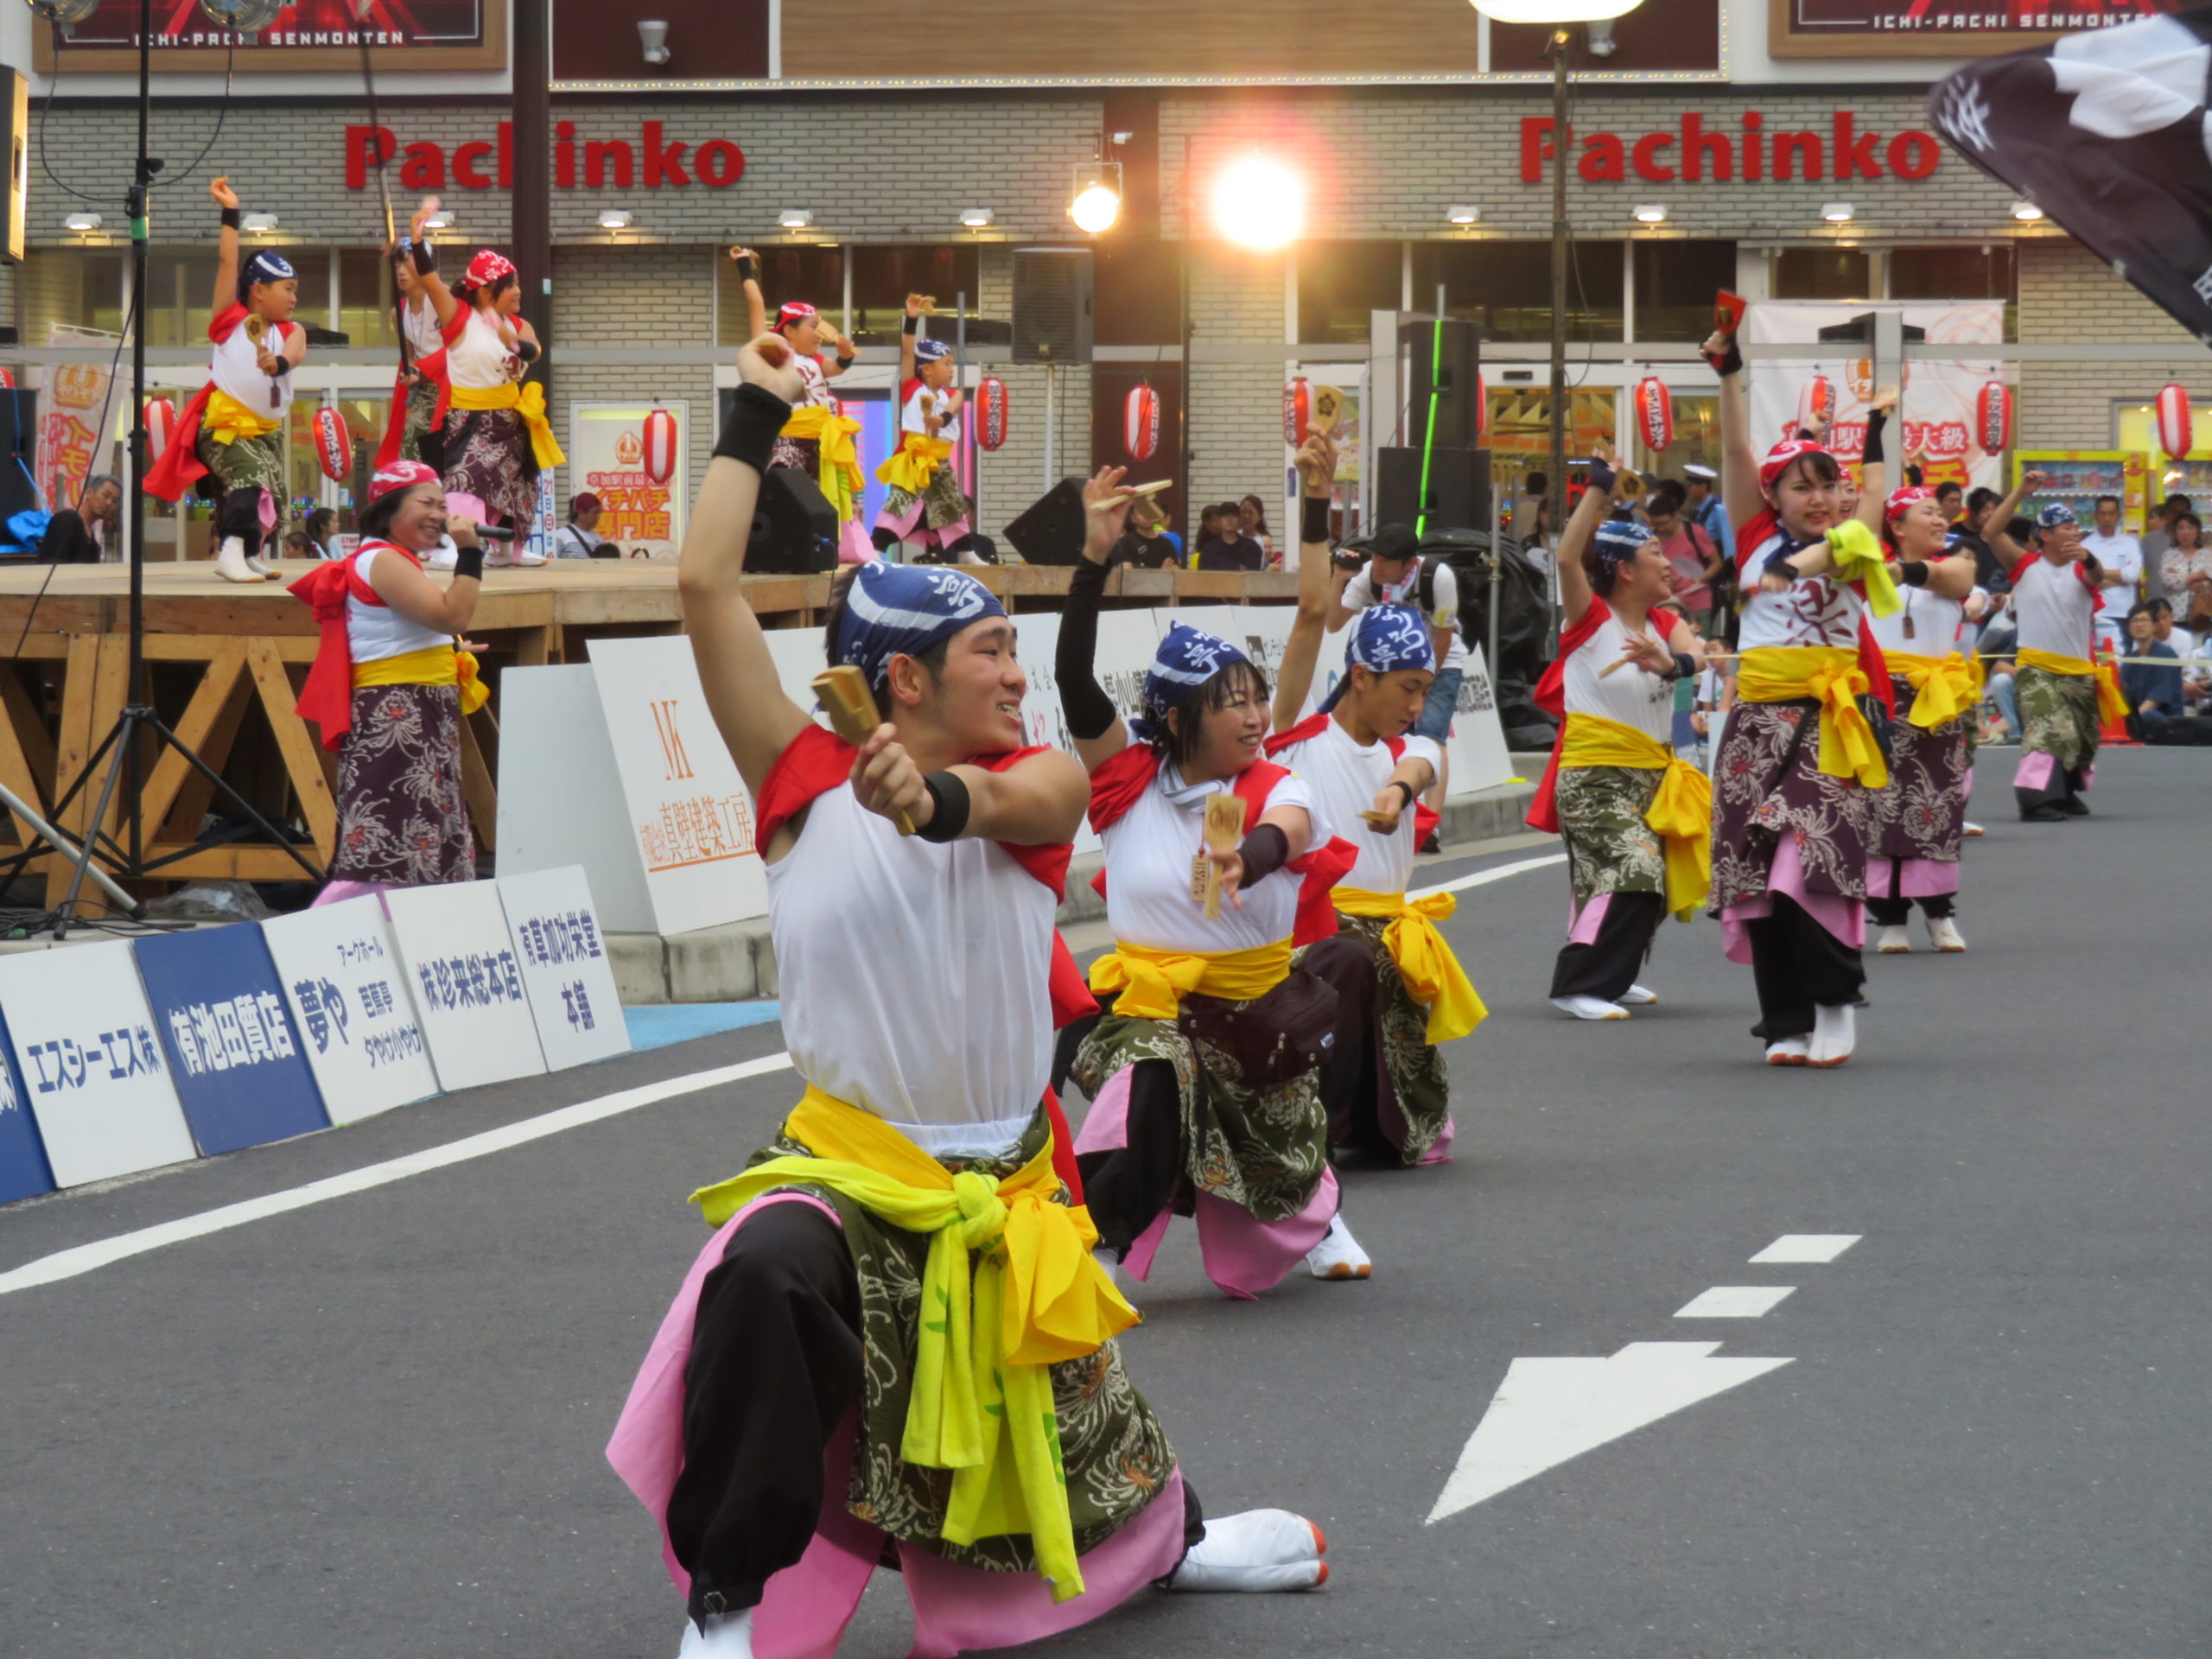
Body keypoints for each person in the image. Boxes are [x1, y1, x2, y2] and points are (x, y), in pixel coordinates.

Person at [607, 351, 1330, 1659]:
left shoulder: (1033, 779)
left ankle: (1175, 1540)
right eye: (991, 651)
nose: (1015, 674)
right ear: (903, 679)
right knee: (764, 1275)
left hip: (1001, 1180)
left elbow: (1019, 806)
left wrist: (932, 802)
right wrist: (755, 413)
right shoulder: (798, 775)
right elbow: (703, 583)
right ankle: (728, 1605)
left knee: (1083, 1440)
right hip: (853, 1168)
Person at [1056, 465, 1370, 1293]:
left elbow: (1291, 828)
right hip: (1149, 1005)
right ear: (1176, 716)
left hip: (1252, 1012)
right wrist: (1092, 560)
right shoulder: (1125, 784)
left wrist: (1252, 857)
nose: (1255, 716)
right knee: (1149, 1083)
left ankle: (1319, 1212)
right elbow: (1072, 683)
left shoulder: (1272, 781)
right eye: (1231, 702)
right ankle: (1107, 1244)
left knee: (1276, 1159)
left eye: (1257, 698)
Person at [1268, 433, 1484, 1166]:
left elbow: (1420, 768)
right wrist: (1317, 501)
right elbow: (1308, 613)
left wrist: (1396, 790)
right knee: (1347, 973)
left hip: (1389, 942)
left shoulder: (1414, 748)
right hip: (1316, 945)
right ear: (1361, 678)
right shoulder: (1295, 739)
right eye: (1409, 690)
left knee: (1416, 1137)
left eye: (1427, 690)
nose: (1421, 705)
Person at [1702, 316, 1897, 1068]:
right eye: (1800, 486)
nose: (1819, 497)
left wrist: (1877, 424)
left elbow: (1871, 489)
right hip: (1754, 723)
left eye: (1828, 485)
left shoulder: (1855, 540)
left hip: (1830, 720)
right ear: (1772, 495)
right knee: (1756, 875)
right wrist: (1729, 371)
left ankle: (1836, 1003)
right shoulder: (1751, 541)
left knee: (1806, 859)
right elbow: (1732, 449)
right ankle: (1785, 1020)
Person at [1525, 448, 1710, 1020]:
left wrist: (1674, 672)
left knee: (1650, 878)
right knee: (1635, 870)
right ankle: (1576, 985)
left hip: (1654, 774)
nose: (1669, 560)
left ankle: (1613, 974)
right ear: (1625, 569)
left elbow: (1697, 660)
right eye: (1655, 552)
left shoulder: (1663, 623)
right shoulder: (1592, 620)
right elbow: (1565, 557)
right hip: (1594, 777)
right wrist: (1599, 488)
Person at [287, 460, 487, 902]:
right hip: (397, 718)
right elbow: (454, 614)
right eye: (426, 503)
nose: (439, 514)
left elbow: (403, 633)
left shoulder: (394, 560)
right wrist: (470, 553)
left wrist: (447, 651)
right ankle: (339, 938)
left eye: (443, 504)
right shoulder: (382, 559)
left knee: (424, 835)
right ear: (389, 509)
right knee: (391, 846)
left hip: (418, 711)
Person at [1857, 463, 2029, 956]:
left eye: (1939, 512)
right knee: (1881, 808)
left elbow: (1958, 583)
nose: (1938, 520)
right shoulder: (1866, 577)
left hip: (1937, 704)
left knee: (1936, 809)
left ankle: (1939, 913)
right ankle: (1889, 920)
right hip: (1882, 701)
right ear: (1896, 525)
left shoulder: (1959, 569)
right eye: (1926, 512)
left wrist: (1901, 571)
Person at [143, 176, 307, 584]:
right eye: (287, 289)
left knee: (269, 495)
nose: (293, 298)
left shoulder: (288, 331)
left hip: (265, 430)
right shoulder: (231, 320)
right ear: (258, 290)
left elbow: (297, 350)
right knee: (250, 479)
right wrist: (230, 213)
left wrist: (279, 364)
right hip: (225, 427)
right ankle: (230, 552)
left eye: (295, 290)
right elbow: (227, 264)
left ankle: (249, 554)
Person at [404, 203, 561, 565]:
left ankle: (508, 550)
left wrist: (507, 335)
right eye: (512, 286)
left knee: (516, 486)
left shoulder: (518, 325)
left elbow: (534, 353)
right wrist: (417, 241)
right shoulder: (459, 316)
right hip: (471, 418)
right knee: (466, 480)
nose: (519, 291)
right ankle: (450, 545)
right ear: (489, 290)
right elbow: (429, 280)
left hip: (511, 418)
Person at [1990, 498, 2130, 821]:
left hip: (2077, 668)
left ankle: (2064, 793)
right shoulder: (2024, 566)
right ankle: (2034, 798)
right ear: (2046, 535)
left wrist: (2090, 557)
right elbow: (1991, 532)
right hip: (2038, 668)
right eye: (2066, 527)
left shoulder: (2082, 569)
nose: (2074, 533)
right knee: (2047, 728)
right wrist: (2021, 491)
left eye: (2075, 528)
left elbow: (2096, 577)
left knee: (2080, 736)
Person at [1330, 522, 1464, 840]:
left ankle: (1431, 825)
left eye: (1387, 561)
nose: (1378, 567)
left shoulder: (1437, 577)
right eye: (1375, 558)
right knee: (1380, 733)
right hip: (1391, 670)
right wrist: (1338, 578)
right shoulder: (1367, 577)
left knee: (1431, 734)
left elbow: (1443, 637)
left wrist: (1423, 686)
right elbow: (1334, 623)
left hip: (1441, 662)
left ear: (1409, 564)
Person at [731, 245, 865, 550]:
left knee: (821, 499)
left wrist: (845, 358)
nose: (819, 335)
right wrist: (743, 266)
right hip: (789, 438)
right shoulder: (775, 350)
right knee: (784, 492)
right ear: (789, 330)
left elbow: (836, 369)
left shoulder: (817, 362)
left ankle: (818, 548)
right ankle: (773, 546)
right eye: (813, 327)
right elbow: (755, 303)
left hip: (821, 442)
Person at [873, 296, 977, 563]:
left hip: (939, 462)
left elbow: (957, 399)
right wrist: (912, 319)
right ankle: (875, 552)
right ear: (927, 369)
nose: (951, 369)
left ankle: (966, 553)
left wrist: (943, 418)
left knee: (951, 507)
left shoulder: (948, 395)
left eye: (952, 364)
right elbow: (908, 352)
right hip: (914, 460)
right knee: (899, 505)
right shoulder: (912, 389)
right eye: (947, 364)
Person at [376, 206, 451, 476]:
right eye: (397, 265)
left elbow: (454, 350)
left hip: (450, 389)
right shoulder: (399, 312)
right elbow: (409, 357)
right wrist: (411, 370)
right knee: (411, 453)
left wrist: (423, 369)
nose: (400, 271)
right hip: (422, 390)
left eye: (406, 263)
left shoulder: (442, 301)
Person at [1645, 479, 1724, 630]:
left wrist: (1700, 579)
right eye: (1655, 524)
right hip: (1666, 604)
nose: (1660, 529)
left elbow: (1716, 563)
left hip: (1697, 601)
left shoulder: (1694, 532)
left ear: (1676, 515)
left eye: (1663, 523)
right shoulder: (1653, 539)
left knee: (1699, 644)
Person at [2080, 494, 2143, 652]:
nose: (2107, 518)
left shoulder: (2130, 543)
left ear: (2118, 516)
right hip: (2098, 614)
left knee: (2125, 661)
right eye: (2103, 513)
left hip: (2126, 612)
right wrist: (2121, 577)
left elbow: (2133, 575)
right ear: (2096, 515)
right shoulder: (2085, 546)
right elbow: (2087, 581)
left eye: (2111, 513)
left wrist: (2099, 574)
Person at [36, 474, 120, 564]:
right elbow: (51, 564)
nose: (108, 503)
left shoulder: (92, 540)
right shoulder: (67, 520)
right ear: (89, 493)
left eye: (115, 501)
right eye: (105, 495)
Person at [2159, 511, 2212, 629]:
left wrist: (2203, 584)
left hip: (2202, 614)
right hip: (2175, 614)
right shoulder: (2169, 555)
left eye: (2191, 527)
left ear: (2198, 530)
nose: (2186, 532)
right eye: (2181, 528)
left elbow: (2210, 579)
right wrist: (2200, 575)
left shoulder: (2208, 554)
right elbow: (2170, 581)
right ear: (2175, 531)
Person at [1109, 493, 1182, 568]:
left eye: (1149, 511)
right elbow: (1128, 575)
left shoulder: (1167, 544)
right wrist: (1162, 573)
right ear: (1133, 518)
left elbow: (1175, 572)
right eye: (1141, 512)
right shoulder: (1125, 543)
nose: (1146, 515)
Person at [1196, 505, 1265, 571]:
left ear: (1239, 520)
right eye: (1225, 515)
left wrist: (1220, 567)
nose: (1229, 519)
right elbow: (1207, 576)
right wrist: (1237, 567)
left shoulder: (1251, 547)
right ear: (1219, 520)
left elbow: (1252, 575)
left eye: (1233, 515)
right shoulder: (1209, 550)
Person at [1682, 462, 1732, 552]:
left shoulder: (1718, 510)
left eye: (1690, 485)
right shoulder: (1697, 512)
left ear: (1702, 487)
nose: (1687, 489)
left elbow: (1728, 546)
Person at [551, 493, 613, 560]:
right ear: (581, 513)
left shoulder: (599, 539)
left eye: (599, 512)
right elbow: (552, 564)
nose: (598, 516)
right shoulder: (560, 536)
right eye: (595, 512)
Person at [1238, 495, 1275, 568]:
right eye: (1243, 511)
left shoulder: (1260, 542)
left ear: (1259, 517)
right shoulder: (1235, 535)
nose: (1246, 516)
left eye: (1251, 512)